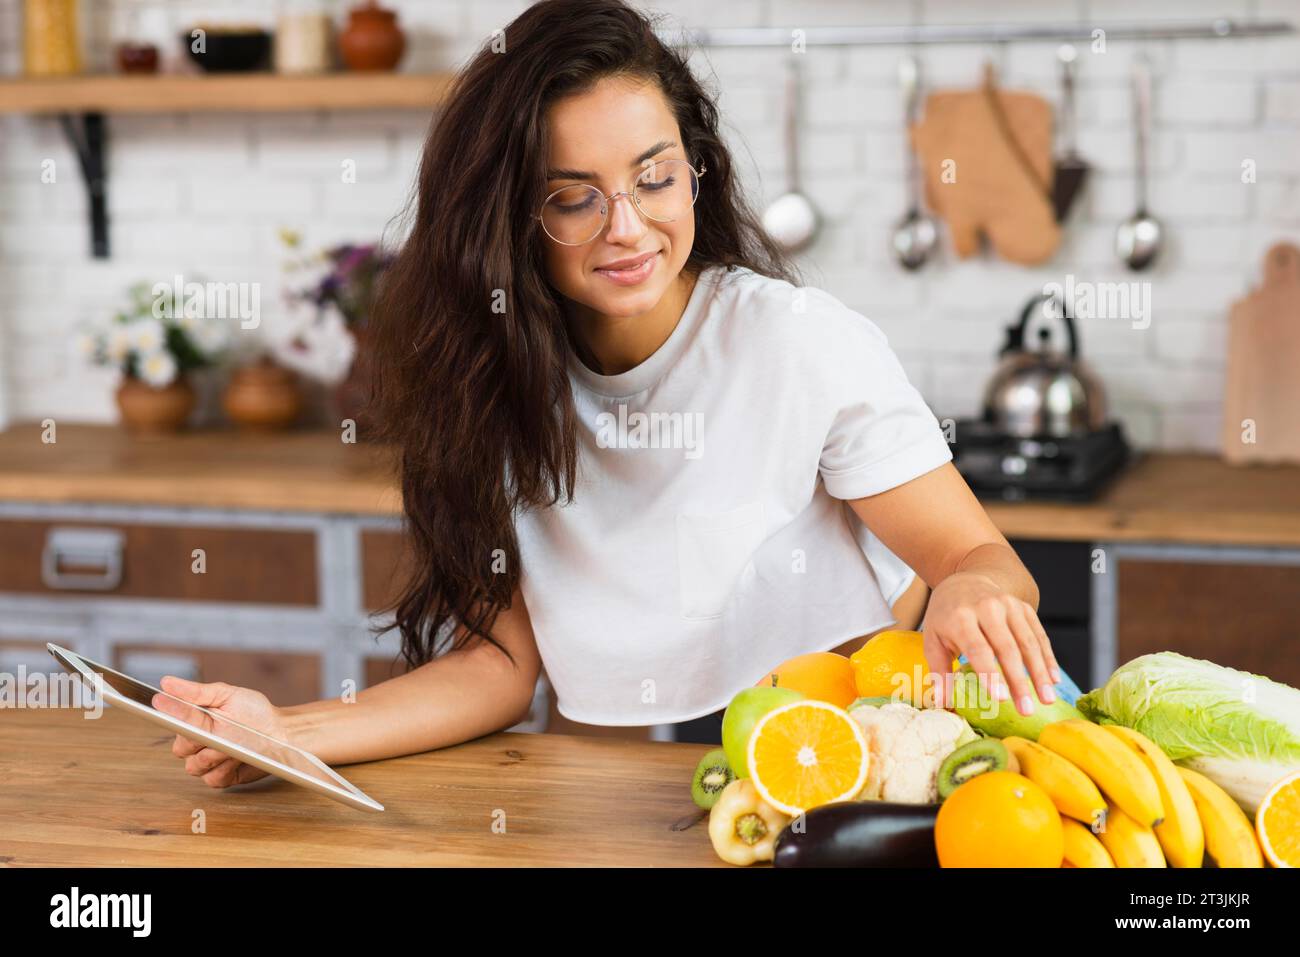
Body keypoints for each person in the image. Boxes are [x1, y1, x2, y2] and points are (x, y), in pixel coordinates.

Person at [158, 0, 1060, 789]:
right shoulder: (488, 387)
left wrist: (971, 591)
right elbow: (500, 667)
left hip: (845, 771)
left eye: (654, 177)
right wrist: (288, 732)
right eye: (572, 197)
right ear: (509, 218)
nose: (627, 226)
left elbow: (980, 559)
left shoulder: (796, 341)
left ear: (695, 168)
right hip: (611, 792)